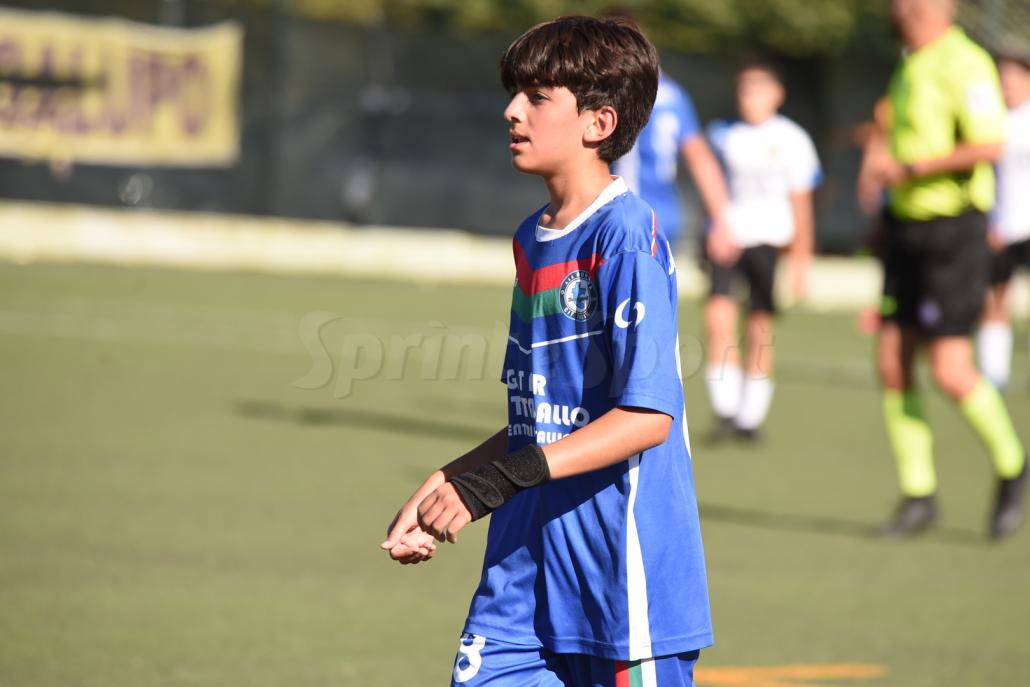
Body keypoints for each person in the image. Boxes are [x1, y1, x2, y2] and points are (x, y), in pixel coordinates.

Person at [381, 16, 712, 687]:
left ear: (598, 122)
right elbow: (538, 421)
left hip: (619, 578)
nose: (512, 111)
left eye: (536, 97)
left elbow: (647, 417)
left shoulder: (626, 237)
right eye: (515, 94)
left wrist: (496, 482)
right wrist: (449, 480)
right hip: (524, 573)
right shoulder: (531, 241)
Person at [865, 0, 1026, 539]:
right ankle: (919, 494)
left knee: (950, 369)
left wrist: (911, 169)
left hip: (953, 231)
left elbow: (988, 145)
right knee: (892, 361)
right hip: (905, 230)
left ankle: (1012, 463)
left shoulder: (966, 62)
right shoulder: (910, 62)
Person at [701, 59, 821, 441]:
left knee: (759, 324)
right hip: (728, 239)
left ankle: (750, 415)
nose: (748, 98)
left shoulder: (793, 140)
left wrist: (801, 260)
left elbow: (801, 202)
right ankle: (725, 408)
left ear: (777, 95)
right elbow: (710, 186)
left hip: (770, 241)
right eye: (743, 90)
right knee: (718, 318)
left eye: (757, 90)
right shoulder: (721, 134)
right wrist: (716, 226)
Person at [608, 13, 729, 256]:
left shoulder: (612, 91)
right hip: (662, 215)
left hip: (618, 213)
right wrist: (722, 220)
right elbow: (699, 157)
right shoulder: (674, 93)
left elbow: (698, 157)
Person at [977, 39, 1030, 390]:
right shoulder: (989, 121)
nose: (1006, 83)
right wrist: (990, 220)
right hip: (1000, 228)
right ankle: (993, 374)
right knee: (995, 297)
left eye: (1014, 76)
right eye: (1002, 76)